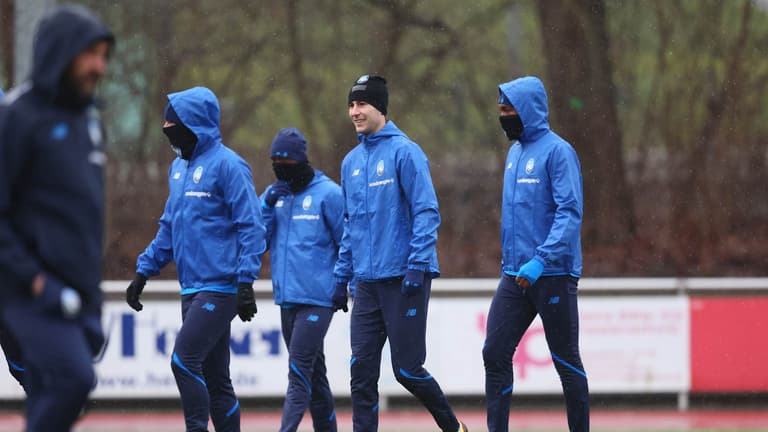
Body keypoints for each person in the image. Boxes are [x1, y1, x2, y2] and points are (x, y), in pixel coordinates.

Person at [125, 86, 266, 432]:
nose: (167, 132)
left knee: (184, 361)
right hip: (191, 288)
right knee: (216, 379)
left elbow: (252, 226)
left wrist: (246, 280)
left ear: (194, 125)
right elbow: (170, 227)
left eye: (173, 126)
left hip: (221, 287)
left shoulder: (230, 166)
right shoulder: (178, 169)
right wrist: (144, 271)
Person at [0, 5, 113, 430]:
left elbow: (84, 218)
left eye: (104, 55)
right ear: (62, 52)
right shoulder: (16, 117)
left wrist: (91, 298)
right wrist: (35, 279)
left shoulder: (88, 121)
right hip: (29, 288)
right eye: (91, 54)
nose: (99, 67)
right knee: (72, 379)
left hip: (74, 290)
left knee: (52, 387)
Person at [333, 75, 467, 432]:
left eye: (362, 104)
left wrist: (418, 264)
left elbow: (426, 211)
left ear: (380, 108)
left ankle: (455, 429)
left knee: (407, 370)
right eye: (351, 104)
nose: (355, 112)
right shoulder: (350, 163)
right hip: (365, 284)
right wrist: (340, 275)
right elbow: (351, 224)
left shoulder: (406, 152)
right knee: (361, 373)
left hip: (404, 278)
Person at [482, 76, 589, 432]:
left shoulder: (559, 152)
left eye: (508, 110)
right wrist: (515, 262)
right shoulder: (514, 154)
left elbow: (569, 212)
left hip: (552, 273)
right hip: (515, 275)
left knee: (566, 362)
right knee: (494, 353)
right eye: (500, 111)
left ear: (527, 110)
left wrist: (541, 259)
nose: (503, 117)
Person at [260, 127, 344, 432]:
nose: (280, 166)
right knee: (315, 379)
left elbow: (347, 243)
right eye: (274, 160)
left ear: (300, 159)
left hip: (318, 300)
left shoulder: (329, 194)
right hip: (287, 299)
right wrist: (266, 206)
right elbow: (257, 241)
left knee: (297, 373)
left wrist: (344, 284)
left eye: (285, 160)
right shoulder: (276, 197)